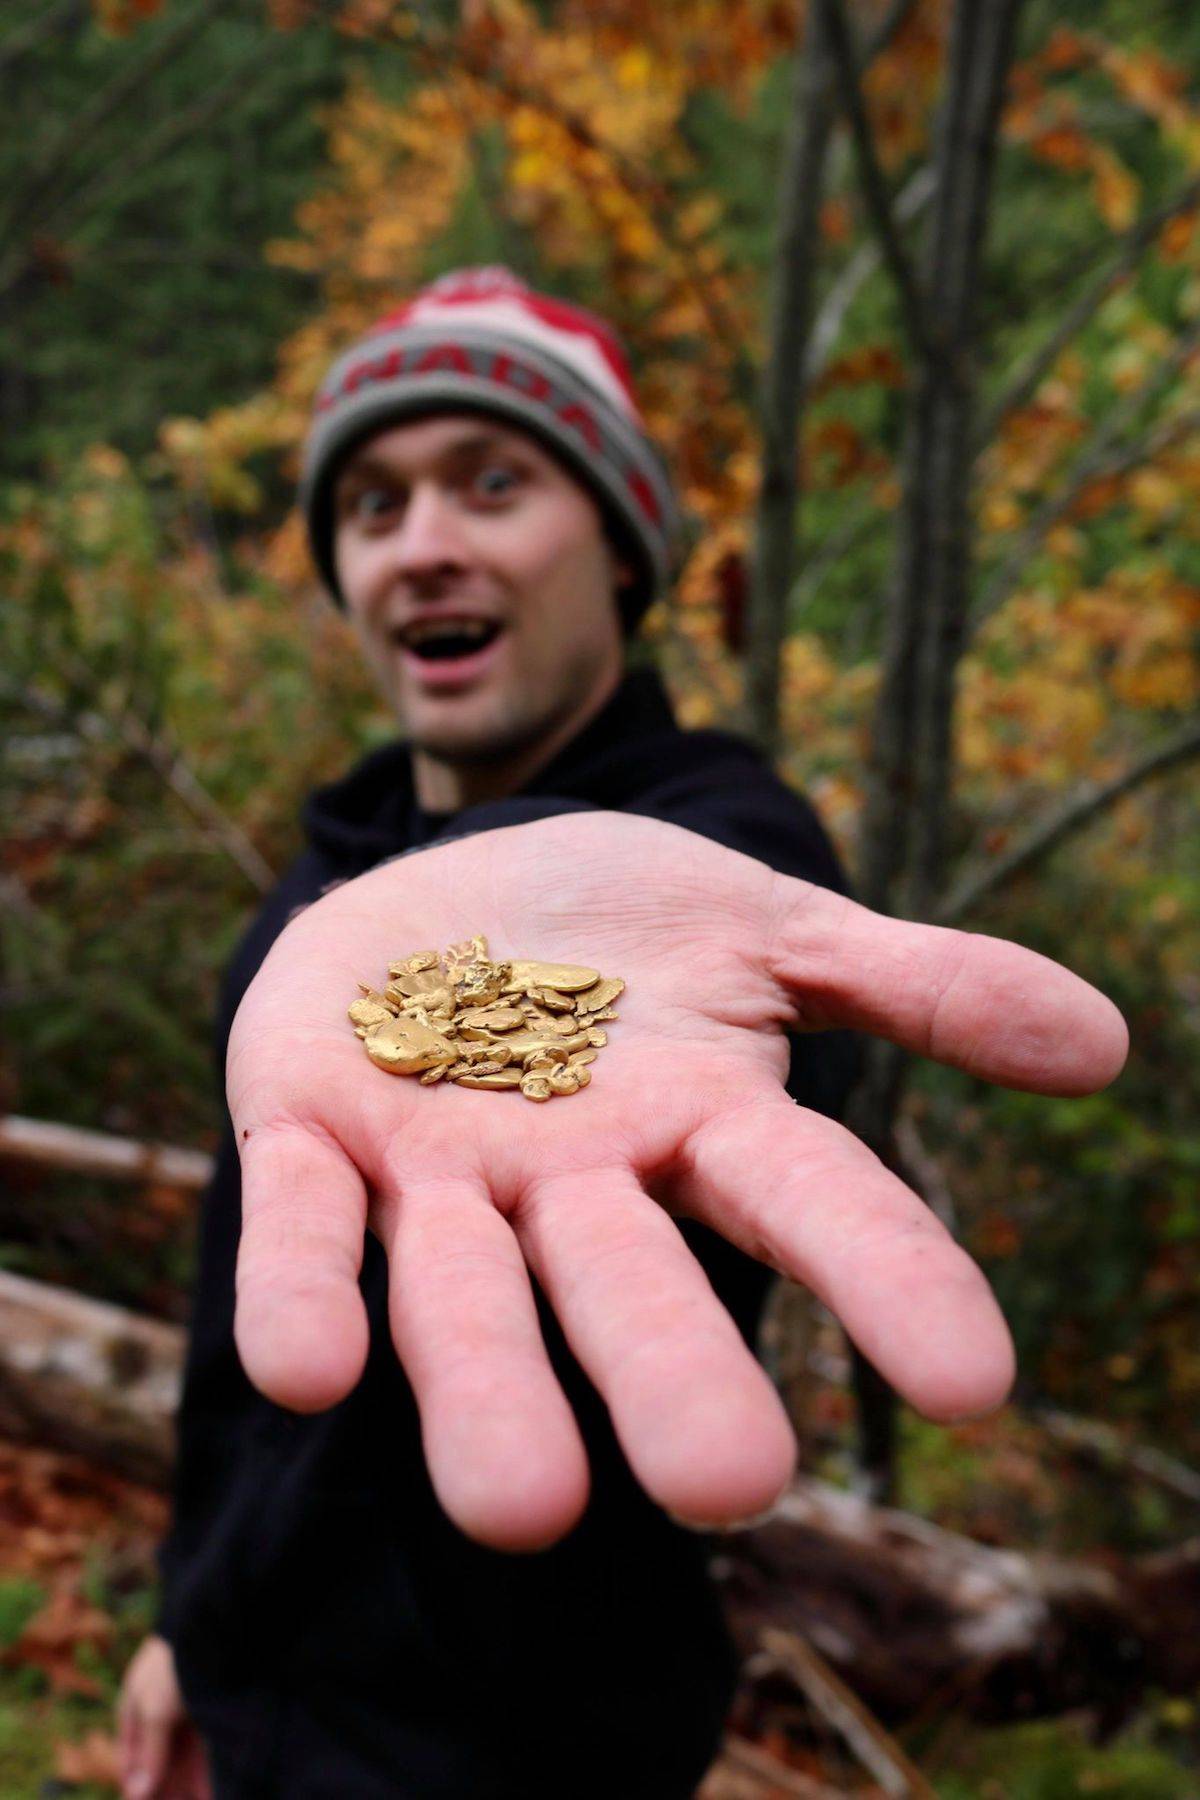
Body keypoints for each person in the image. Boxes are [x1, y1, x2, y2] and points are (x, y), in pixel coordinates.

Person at [115, 266, 1127, 1800]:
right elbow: (233, 1323)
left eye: (495, 482)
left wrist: (522, 889)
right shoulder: (314, 908)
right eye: (373, 506)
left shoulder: (723, 851)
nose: (425, 543)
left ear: (624, 546)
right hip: (261, 1701)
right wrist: (190, 1622)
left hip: (530, 1742)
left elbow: (786, 1030)